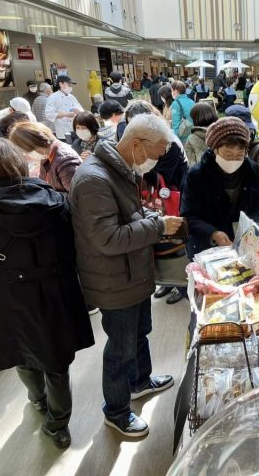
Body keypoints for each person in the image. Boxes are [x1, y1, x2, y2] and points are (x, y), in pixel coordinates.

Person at [69, 114, 181, 437]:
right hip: (113, 280)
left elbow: (129, 214)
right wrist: (157, 226)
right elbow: (108, 238)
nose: (158, 159)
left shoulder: (120, 168)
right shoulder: (94, 180)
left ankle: (140, 381)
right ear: (137, 144)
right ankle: (116, 411)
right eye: (157, 152)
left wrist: (151, 216)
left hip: (133, 273)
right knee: (121, 347)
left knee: (140, 332)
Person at [0, 138, 94, 449]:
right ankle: (58, 424)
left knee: (21, 352)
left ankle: (38, 400)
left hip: (5, 298)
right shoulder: (54, 200)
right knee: (56, 363)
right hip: (55, 291)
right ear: (19, 163)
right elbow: (73, 248)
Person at [123, 100, 190, 305]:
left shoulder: (168, 143)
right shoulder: (139, 144)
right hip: (154, 200)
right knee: (159, 242)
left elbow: (164, 176)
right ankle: (166, 282)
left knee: (175, 241)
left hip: (172, 197)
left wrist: (142, 167)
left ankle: (181, 284)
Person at [180, 116, 259, 255]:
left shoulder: (250, 169)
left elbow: (256, 205)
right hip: (206, 247)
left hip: (242, 243)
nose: (233, 160)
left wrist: (252, 227)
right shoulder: (197, 175)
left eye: (239, 155)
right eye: (228, 155)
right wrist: (213, 233)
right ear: (215, 149)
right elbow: (189, 216)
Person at [226, 104, 259, 233]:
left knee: (255, 241)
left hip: (252, 209)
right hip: (227, 213)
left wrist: (243, 197)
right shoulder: (220, 150)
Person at [9, 122, 82, 193]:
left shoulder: (65, 161)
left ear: (34, 144)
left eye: (26, 151)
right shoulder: (46, 154)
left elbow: (75, 196)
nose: (26, 155)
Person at [45, 75, 83, 140]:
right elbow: (49, 114)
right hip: (63, 131)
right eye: (69, 84)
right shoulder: (53, 97)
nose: (70, 86)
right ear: (60, 84)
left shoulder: (72, 97)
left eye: (71, 85)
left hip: (76, 129)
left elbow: (81, 110)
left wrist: (79, 112)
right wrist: (65, 114)